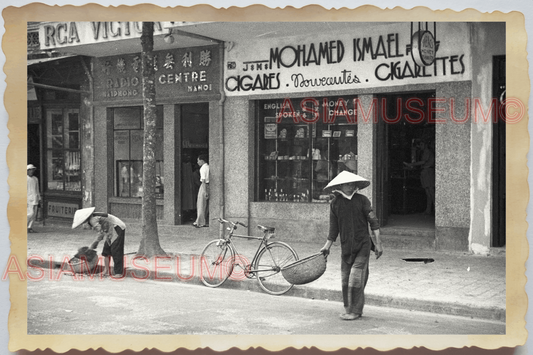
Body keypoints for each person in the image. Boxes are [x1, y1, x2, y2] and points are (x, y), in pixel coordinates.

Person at [320, 171, 383, 321]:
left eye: (352, 184)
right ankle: (349, 309)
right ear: (340, 185)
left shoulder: (362, 200)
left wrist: (378, 244)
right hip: (346, 246)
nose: (350, 186)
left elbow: (373, 222)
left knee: (356, 278)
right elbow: (333, 229)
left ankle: (355, 311)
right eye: (347, 184)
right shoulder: (335, 204)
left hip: (363, 245)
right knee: (345, 278)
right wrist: (326, 246)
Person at [72, 207, 126, 277]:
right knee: (106, 251)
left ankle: (119, 273)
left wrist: (93, 244)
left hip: (117, 228)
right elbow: (102, 231)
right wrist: (94, 243)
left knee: (116, 250)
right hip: (110, 231)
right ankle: (106, 271)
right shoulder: (93, 217)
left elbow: (100, 234)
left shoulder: (92, 220)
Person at [404, 140, 435, 215]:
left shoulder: (427, 152)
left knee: (431, 191)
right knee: (428, 192)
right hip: (425, 172)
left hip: (427, 172)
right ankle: (428, 210)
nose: (419, 146)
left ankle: (435, 209)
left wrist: (411, 164)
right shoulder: (425, 152)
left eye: (421, 144)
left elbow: (423, 162)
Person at [193, 154, 209, 228]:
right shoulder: (208, 167)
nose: (197, 162)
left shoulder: (202, 168)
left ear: (202, 161)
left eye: (198, 160)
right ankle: (201, 220)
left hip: (204, 186)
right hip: (208, 185)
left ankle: (200, 222)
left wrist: (204, 191)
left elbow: (203, 180)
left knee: (200, 204)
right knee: (205, 205)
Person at [27, 164, 41, 233]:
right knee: (30, 213)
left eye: (32, 170)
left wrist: (39, 197)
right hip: (28, 198)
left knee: (34, 214)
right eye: (30, 170)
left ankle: (30, 227)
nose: (31, 171)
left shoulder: (35, 179)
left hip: (35, 198)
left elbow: (37, 189)